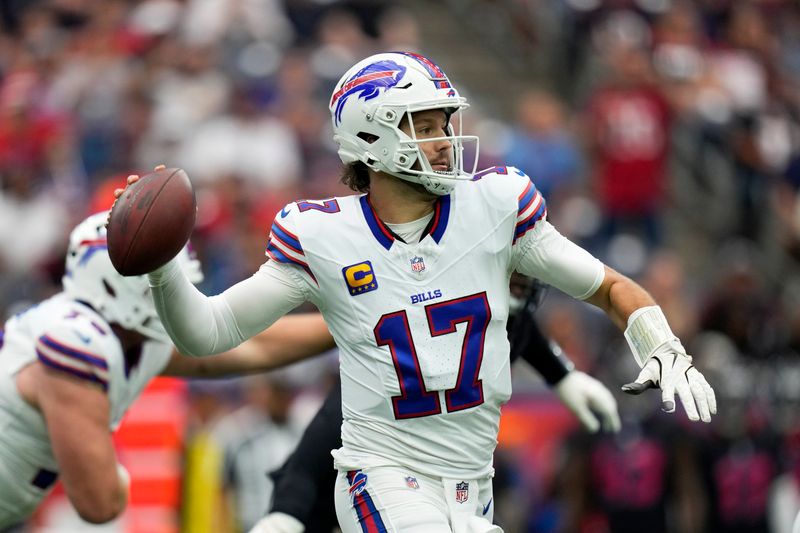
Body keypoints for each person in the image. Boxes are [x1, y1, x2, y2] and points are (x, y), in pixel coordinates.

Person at [131, 51, 717, 532]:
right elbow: (208, 332)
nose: (444, 140)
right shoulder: (323, 236)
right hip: (380, 474)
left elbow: (610, 287)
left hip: (472, 485)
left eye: (444, 124)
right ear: (370, 137)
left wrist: (662, 343)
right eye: (425, 125)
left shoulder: (494, 208)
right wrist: (163, 271)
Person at [0, 212, 335, 529]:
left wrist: (352, 325)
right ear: (124, 285)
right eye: (157, 285)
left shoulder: (128, 337)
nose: (175, 299)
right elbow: (100, 502)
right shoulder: (76, 344)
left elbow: (251, 345)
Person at [252, 277, 621, 533]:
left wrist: (561, 375)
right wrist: (291, 502)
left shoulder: (503, 314)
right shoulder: (433, 315)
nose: (518, 282)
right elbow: (345, 413)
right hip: (371, 478)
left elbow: (515, 323)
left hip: (434, 479)